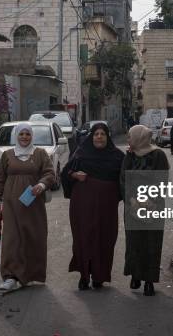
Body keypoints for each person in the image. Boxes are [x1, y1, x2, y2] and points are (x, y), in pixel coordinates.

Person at [61, 123, 125, 290]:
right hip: (82, 205)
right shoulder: (81, 153)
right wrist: (75, 175)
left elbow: (126, 178)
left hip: (107, 206)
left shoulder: (118, 156)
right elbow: (65, 174)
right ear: (91, 136)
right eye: (96, 133)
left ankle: (99, 275)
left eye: (102, 134)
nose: (99, 137)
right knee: (83, 237)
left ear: (107, 136)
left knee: (105, 238)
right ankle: (84, 275)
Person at [0, 123, 55, 291]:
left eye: (27, 134)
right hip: (11, 205)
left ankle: (31, 274)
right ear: (16, 136)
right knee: (11, 240)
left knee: (33, 237)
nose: (25, 137)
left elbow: (50, 173)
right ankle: (10, 277)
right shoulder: (7, 155)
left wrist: (42, 185)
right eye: (21, 134)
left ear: (32, 136)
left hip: (33, 204)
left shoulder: (40, 154)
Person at [121, 125, 170, 296]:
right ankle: (135, 276)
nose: (128, 140)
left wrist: (150, 200)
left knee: (152, 244)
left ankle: (149, 281)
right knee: (134, 243)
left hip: (153, 207)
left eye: (130, 136)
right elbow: (123, 179)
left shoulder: (158, 155)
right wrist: (132, 200)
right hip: (132, 208)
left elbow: (163, 180)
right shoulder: (129, 155)